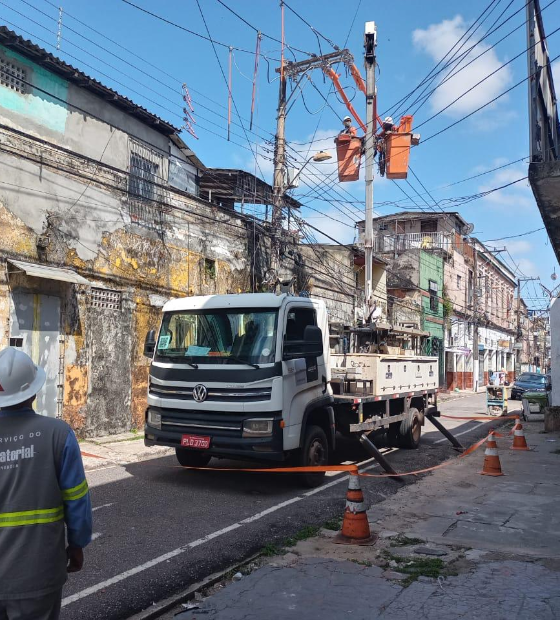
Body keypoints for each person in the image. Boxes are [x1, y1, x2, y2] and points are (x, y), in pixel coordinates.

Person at [0, 347, 92, 620]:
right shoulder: (58, 435)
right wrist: (77, 545)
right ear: (34, 392)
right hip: (37, 576)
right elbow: (77, 500)